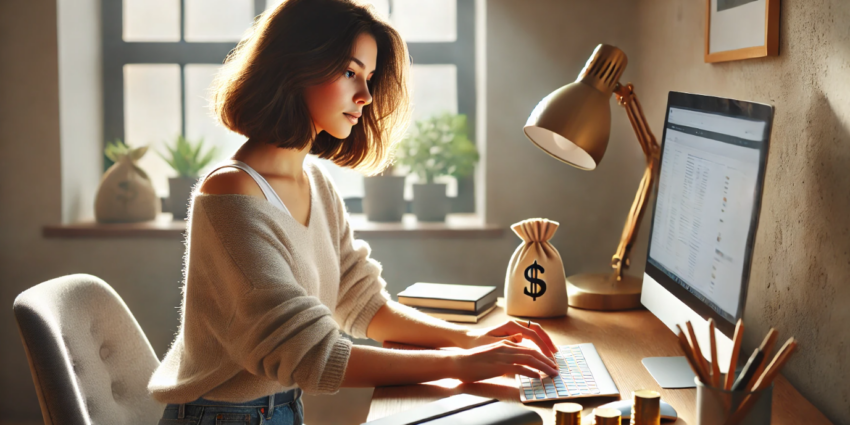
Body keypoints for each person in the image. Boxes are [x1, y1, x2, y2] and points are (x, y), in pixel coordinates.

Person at [148, 1, 559, 423]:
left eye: (369, 77)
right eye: (350, 72)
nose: (364, 96)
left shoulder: (316, 184)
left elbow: (361, 302)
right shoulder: (230, 194)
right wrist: (458, 364)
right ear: (295, 66)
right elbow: (311, 354)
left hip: (280, 410)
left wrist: (470, 340)